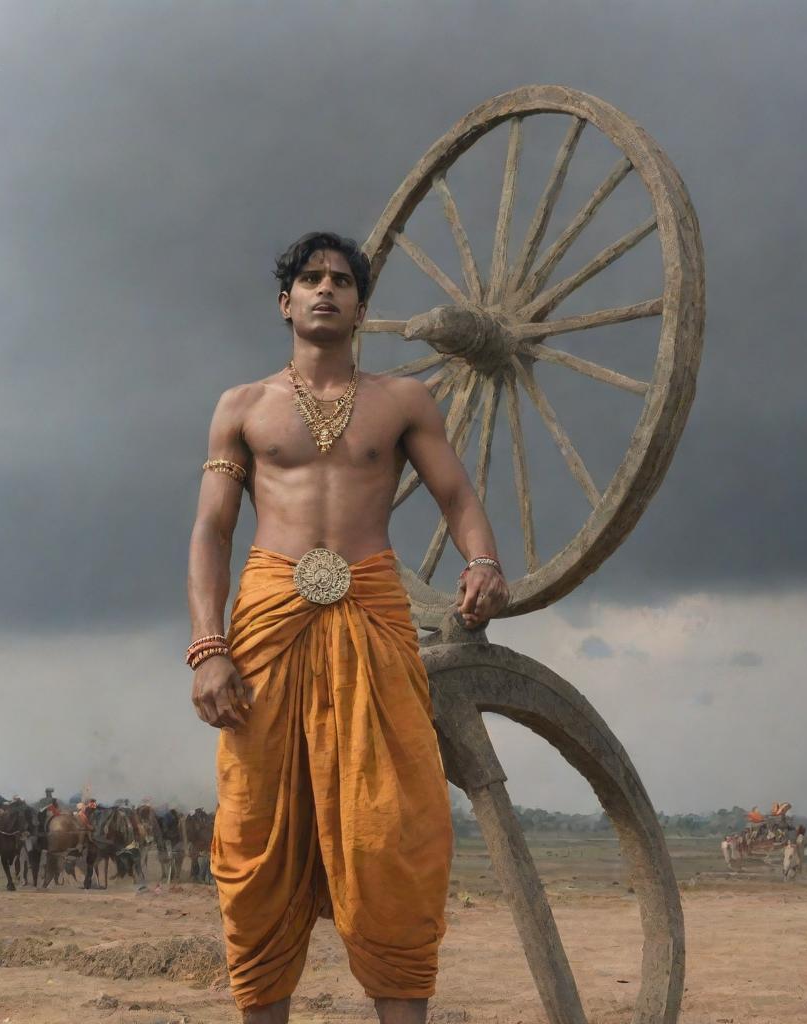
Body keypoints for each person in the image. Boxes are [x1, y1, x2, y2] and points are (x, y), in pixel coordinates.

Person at [188, 231, 509, 1024]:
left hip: (373, 612)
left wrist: (483, 561)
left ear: (363, 306)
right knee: (256, 837)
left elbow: (458, 496)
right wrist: (207, 649)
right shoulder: (242, 407)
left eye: (342, 280)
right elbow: (212, 533)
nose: (325, 288)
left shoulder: (403, 401)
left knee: (392, 830)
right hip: (265, 626)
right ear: (285, 301)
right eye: (310, 278)